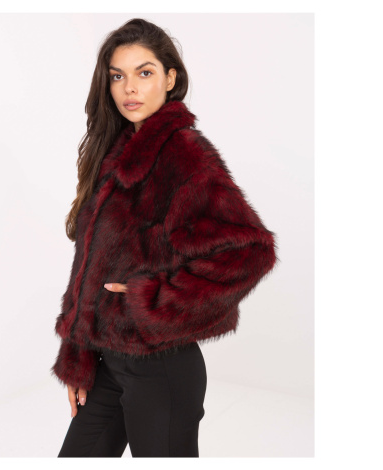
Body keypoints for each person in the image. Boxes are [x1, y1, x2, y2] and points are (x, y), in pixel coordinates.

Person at [51, 18, 279, 458]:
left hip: (162, 369)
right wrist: (78, 356)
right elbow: (90, 269)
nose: (129, 88)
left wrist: (153, 298)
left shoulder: (184, 154)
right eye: (118, 76)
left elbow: (251, 251)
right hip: (108, 365)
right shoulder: (115, 154)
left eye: (145, 72)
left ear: (171, 78)